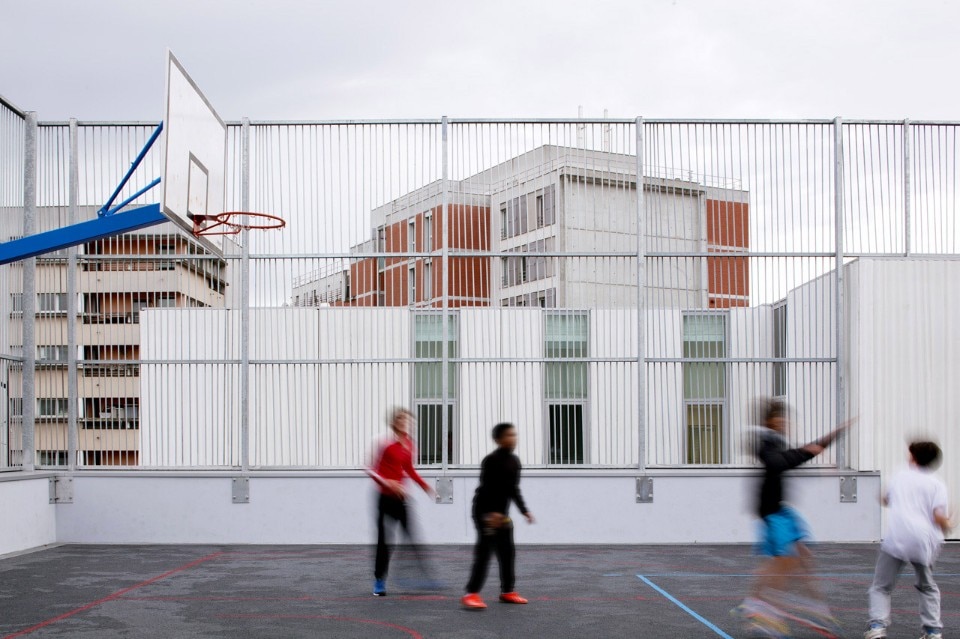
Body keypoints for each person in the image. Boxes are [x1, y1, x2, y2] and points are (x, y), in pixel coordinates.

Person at [734, 399, 853, 637]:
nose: (785, 423)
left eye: (786, 419)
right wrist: (806, 452)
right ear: (769, 420)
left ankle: (812, 607)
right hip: (771, 510)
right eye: (780, 419)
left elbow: (798, 456)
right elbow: (779, 462)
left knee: (801, 555)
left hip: (781, 508)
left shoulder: (777, 441)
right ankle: (763, 610)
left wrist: (835, 434)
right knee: (782, 561)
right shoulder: (764, 441)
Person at [865, 441, 951, 639]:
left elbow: (885, 499)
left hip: (898, 536)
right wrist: (948, 523)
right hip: (923, 539)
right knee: (927, 585)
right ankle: (932, 630)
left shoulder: (900, 475)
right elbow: (939, 517)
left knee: (881, 586)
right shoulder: (937, 483)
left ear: (913, 457)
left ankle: (877, 625)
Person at [461, 422, 534, 610]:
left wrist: (524, 510)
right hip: (484, 510)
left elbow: (513, 489)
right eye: (508, 435)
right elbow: (487, 489)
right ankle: (471, 594)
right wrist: (490, 514)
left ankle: (508, 591)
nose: (513, 438)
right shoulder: (491, 460)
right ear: (498, 439)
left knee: (507, 552)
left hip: (501, 514)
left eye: (514, 435)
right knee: (485, 552)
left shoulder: (514, 461)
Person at [367, 408, 436, 596]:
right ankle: (379, 581)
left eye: (407, 419)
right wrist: (387, 482)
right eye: (400, 419)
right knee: (385, 541)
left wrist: (425, 486)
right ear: (393, 422)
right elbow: (370, 469)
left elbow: (410, 470)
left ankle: (422, 575)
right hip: (384, 498)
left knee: (412, 535)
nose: (404, 422)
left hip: (401, 498)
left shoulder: (410, 445)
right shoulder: (383, 442)